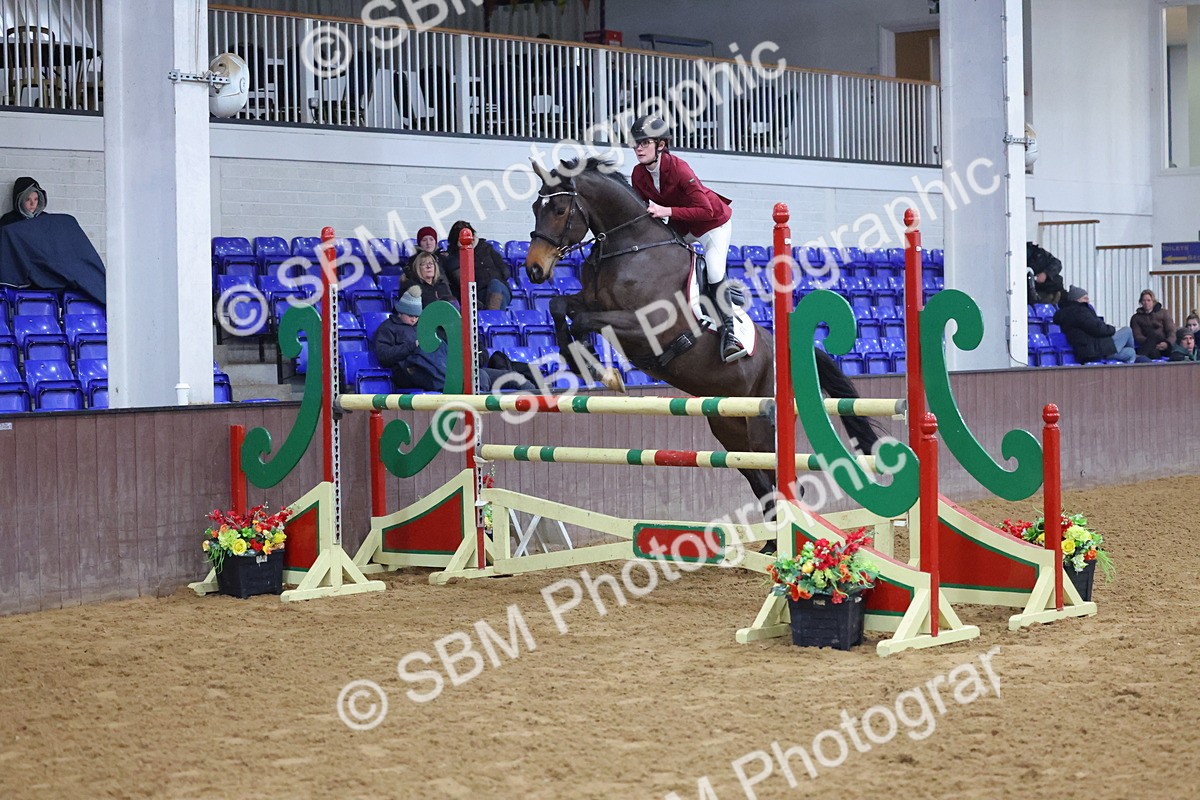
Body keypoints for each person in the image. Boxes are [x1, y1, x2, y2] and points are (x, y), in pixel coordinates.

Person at [628, 114, 745, 362]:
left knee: (714, 271)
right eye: (636, 143)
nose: (638, 148)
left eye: (645, 142)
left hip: (713, 224)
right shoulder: (638, 175)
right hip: (683, 226)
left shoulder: (679, 168)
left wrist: (666, 211)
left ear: (660, 145)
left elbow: (707, 210)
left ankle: (730, 336)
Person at [374, 288, 534, 392]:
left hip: (453, 371)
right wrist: (413, 346)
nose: (414, 319)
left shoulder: (427, 325)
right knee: (480, 380)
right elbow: (384, 356)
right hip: (427, 373)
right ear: (400, 312)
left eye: (417, 316)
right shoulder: (387, 328)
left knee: (517, 379)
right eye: (410, 316)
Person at [1053, 285, 1136, 364]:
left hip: (1090, 349)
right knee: (1127, 330)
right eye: (1085, 298)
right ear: (1077, 299)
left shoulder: (1067, 313)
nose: (1088, 301)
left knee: (1131, 352)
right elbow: (1097, 329)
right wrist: (1112, 329)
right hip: (1096, 350)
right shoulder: (1080, 311)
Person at [443, 220, 511, 310]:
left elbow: (504, 270)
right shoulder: (453, 257)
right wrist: (461, 252)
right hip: (479, 294)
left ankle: (491, 316)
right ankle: (497, 319)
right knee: (498, 300)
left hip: (501, 287)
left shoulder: (487, 248)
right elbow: (462, 281)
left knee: (495, 284)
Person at [1129, 289, 1176, 359]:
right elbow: (1137, 335)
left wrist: (1167, 343)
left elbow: (1171, 331)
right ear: (1141, 302)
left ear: (1153, 301)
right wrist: (1151, 343)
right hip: (1147, 344)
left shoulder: (1164, 313)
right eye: (1144, 300)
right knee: (1153, 352)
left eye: (1148, 300)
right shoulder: (1136, 318)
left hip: (1164, 343)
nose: (1146, 303)